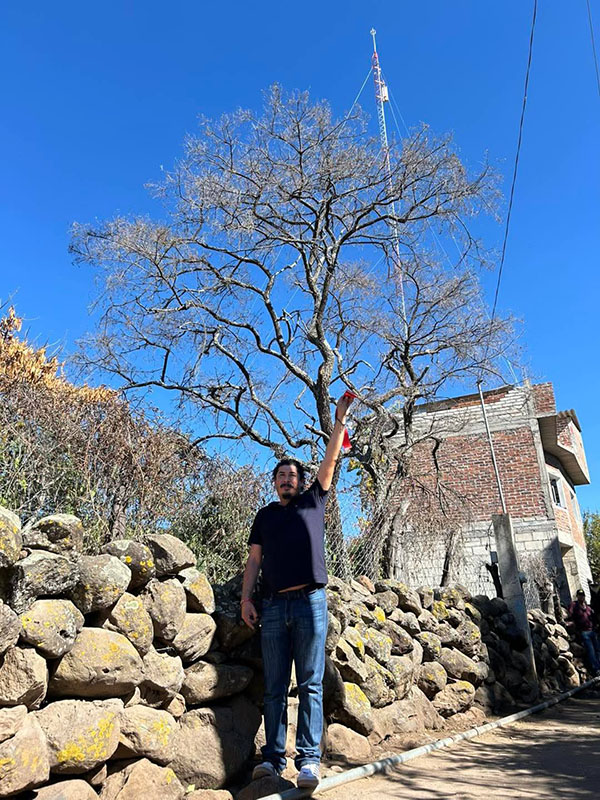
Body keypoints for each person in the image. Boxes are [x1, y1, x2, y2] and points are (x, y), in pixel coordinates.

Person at [240, 393, 354, 790]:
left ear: (302, 483)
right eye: (281, 476)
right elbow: (254, 560)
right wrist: (246, 599)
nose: (287, 480)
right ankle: (272, 760)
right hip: (272, 607)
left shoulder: (313, 500)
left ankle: (308, 761)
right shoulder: (264, 516)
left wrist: (339, 422)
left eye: (293, 476)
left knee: (309, 684)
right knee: (274, 687)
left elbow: (330, 462)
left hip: (310, 603)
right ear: (274, 483)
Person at [568, 588, 600, 676]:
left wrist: (596, 625)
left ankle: (599, 665)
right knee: (591, 651)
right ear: (577, 596)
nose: (581, 597)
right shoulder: (574, 605)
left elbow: (593, 617)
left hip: (592, 631)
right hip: (584, 632)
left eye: (582, 595)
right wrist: (571, 622)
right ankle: (596, 669)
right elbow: (570, 614)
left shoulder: (588, 608)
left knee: (598, 650)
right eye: (579, 595)